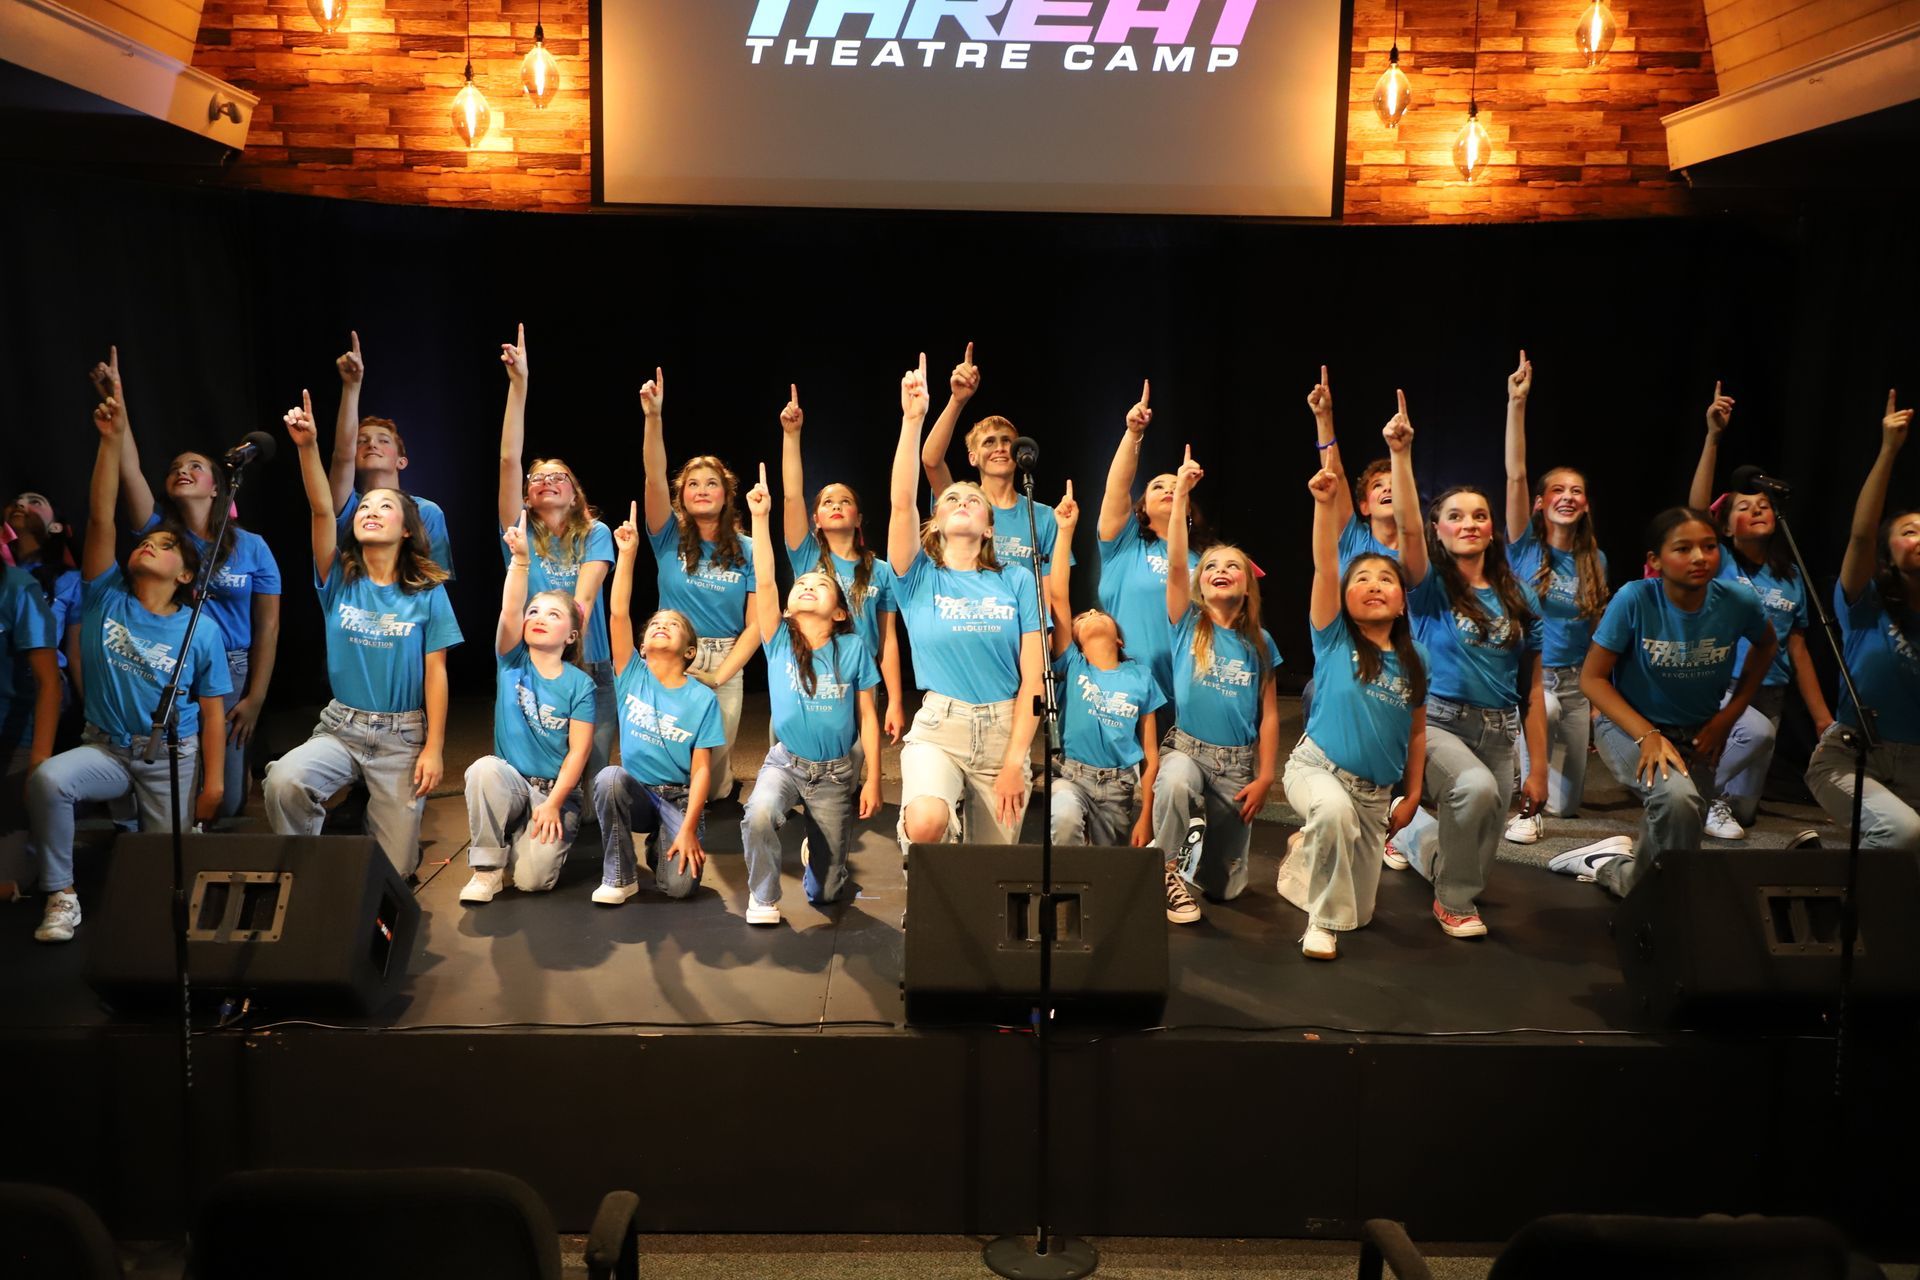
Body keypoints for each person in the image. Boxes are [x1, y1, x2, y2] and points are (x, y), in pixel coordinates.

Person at [26, 396, 231, 942]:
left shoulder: (199, 629)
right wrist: (110, 440)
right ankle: (61, 896)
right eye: (146, 541)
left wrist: (213, 782)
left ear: (186, 574)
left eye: (165, 546)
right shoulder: (104, 598)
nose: (149, 547)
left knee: (169, 878)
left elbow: (212, 712)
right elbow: (100, 516)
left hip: (171, 756)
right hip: (108, 747)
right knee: (49, 781)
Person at [264, 391, 461, 878]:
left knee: (395, 872)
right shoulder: (338, 578)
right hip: (342, 727)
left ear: (409, 530)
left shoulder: (428, 592)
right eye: (365, 505)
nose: (371, 510)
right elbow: (320, 511)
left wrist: (434, 747)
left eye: (385, 507)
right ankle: (308, 870)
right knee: (283, 781)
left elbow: (436, 673)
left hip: (401, 736)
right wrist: (308, 447)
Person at [1548, 507, 1777, 893]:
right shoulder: (1635, 599)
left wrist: (1727, 717)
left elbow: (1766, 646)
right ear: (1655, 560)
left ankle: (1609, 867)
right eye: (1683, 549)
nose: (1700, 558)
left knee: (1680, 837)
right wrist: (1647, 734)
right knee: (1676, 802)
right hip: (1629, 726)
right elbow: (1592, 679)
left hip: (1699, 731)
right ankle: (1655, 902)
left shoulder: (1738, 601)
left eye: (1709, 546)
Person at [96, 346, 282, 821]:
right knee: (173, 781)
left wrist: (256, 696)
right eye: (176, 467)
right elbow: (129, 468)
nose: (183, 470)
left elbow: (268, 625)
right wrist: (119, 406)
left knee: (228, 804)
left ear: (218, 485)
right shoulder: (162, 536)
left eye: (195, 467)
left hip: (233, 668)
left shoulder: (253, 546)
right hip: (169, 657)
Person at [1389, 391, 1549, 939]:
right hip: (1437, 722)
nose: (1470, 523)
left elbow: (1531, 688)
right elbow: (1408, 529)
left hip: (1501, 730)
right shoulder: (1430, 587)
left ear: (1491, 528)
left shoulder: (1518, 593)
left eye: (1479, 515)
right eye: (1455, 516)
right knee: (1474, 792)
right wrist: (1402, 455)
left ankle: (1415, 844)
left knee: (1483, 845)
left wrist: (1539, 767)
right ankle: (1453, 903)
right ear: (1440, 529)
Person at [889, 354, 1044, 852]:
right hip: (940, 726)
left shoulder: (1018, 580)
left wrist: (1018, 761)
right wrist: (912, 420)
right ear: (934, 519)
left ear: (990, 525)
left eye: (972, 501)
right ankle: (928, 856)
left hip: (1004, 732)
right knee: (928, 823)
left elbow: (1035, 680)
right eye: (951, 499)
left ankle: (957, 863)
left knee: (993, 872)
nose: (961, 503)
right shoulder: (917, 578)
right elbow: (900, 501)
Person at [1276, 461, 1428, 960]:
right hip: (1317, 769)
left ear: (1404, 601)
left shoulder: (1415, 658)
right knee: (1333, 815)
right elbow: (1325, 564)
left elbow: (1418, 731)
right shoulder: (1334, 636)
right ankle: (1319, 923)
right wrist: (1324, 505)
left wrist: (1413, 793)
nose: (1375, 583)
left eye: (1387, 577)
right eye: (1361, 577)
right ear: (1344, 597)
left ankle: (1306, 854)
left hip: (1375, 796)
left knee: (1360, 915)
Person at [1687, 381, 1834, 838]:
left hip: (1770, 696)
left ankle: (1711, 800)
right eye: (1744, 506)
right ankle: (1694, 796)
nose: (1756, 510)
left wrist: (1822, 718)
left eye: (1764, 505)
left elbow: (1798, 646)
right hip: (1726, 687)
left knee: (1746, 812)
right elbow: (1695, 509)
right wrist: (1713, 437)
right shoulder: (1721, 562)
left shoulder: (1791, 576)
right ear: (1725, 528)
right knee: (1757, 741)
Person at [742, 464, 881, 924]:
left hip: (837, 774)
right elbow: (765, 579)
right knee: (758, 815)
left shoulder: (854, 646)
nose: (806, 585)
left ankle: (824, 863)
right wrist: (760, 521)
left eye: (819, 584)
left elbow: (867, 716)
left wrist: (875, 777)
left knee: (826, 892)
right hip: (786, 762)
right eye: (801, 584)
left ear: (840, 612)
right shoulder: (777, 639)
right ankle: (762, 896)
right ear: (787, 605)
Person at [1150, 446, 1281, 918]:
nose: (1221, 571)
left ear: (1247, 584)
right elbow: (1177, 562)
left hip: (1237, 764)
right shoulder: (1187, 623)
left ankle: (1200, 855)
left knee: (1226, 889)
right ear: (1199, 584)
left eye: (1232, 567)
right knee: (1177, 783)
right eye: (1211, 567)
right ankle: (1164, 869)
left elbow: (1268, 716)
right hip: (1187, 748)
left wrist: (1266, 775)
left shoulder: (1260, 641)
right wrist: (1181, 494)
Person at [495, 324, 616, 780]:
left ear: (576, 495)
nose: (545, 480)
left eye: (558, 476)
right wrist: (518, 385)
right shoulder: (518, 529)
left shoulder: (595, 532)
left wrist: (566, 646)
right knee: (531, 771)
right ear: (526, 497)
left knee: (595, 767)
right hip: (533, 658)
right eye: (537, 478)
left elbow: (582, 600)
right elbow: (509, 460)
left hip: (590, 660)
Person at [458, 512, 596, 904]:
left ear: (570, 635)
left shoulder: (580, 684)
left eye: (552, 614)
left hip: (553, 794)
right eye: (534, 612)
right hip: (512, 783)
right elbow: (510, 611)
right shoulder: (511, 660)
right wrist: (520, 561)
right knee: (483, 769)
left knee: (532, 881)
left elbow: (578, 752)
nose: (537, 618)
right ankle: (485, 869)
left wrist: (553, 804)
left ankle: (517, 840)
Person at [592, 502, 725, 904]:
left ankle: (662, 845)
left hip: (680, 798)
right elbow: (617, 613)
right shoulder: (631, 673)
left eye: (673, 625)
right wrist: (628, 555)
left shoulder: (702, 697)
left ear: (688, 651)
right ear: (643, 644)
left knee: (679, 889)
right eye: (655, 625)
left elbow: (702, 771)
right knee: (608, 778)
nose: (661, 626)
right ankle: (620, 874)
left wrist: (686, 827)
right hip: (638, 793)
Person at [1803, 391, 1919, 850]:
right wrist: (1889, 450)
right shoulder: (1863, 603)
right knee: (1902, 834)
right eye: (1909, 532)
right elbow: (1861, 533)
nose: (1919, 538)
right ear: (1888, 552)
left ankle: (1817, 866)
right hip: (1851, 757)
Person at [639, 367, 759, 803]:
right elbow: (654, 477)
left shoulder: (748, 548)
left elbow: (758, 624)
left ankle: (714, 802)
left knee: (716, 755)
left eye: (712, 483)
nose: (703, 489)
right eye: (693, 483)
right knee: (669, 745)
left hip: (725, 656)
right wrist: (654, 418)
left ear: (727, 495)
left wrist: (720, 674)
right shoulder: (667, 534)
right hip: (670, 651)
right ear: (682, 494)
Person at [1501, 351, 1607, 841]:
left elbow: (1596, 632)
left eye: (1577, 491)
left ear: (1585, 506)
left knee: (1567, 809)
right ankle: (1523, 799)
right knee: (1544, 710)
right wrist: (1517, 404)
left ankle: (1534, 789)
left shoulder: (1595, 561)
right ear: (1542, 503)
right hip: (1533, 681)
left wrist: (1600, 696)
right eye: (1558, 490)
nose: (1568, 496)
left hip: (1575, 685)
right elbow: (1517, 474)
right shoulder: (1524, 545)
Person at [778, 382, 904, 747]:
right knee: (798, 765)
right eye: (827, 501)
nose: (836, 505)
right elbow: (790, 494)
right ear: (815, 518)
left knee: (850, 772)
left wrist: (894, 699)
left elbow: (888, 642)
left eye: (844, 501)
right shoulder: (807, 557)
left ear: (858, 517)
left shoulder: (880, 570)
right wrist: (791, 435)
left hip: (856, 681)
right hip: (806, 673)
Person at [1045, 481, 1165, 855]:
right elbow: (1059, 595)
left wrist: (1146, 814)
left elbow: (1150, 753)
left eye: (1099, 612)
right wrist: (1065, 532)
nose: (1093, 613)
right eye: (1085, 616)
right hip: (1071, 776)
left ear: (1120, 640)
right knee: (1064, 821)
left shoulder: (1141, 677)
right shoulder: (1074, 665)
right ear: (1075, 638)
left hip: (1119, 787)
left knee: (1106, 865)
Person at [1094, 379, 1198, 723]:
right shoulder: (1124, 545)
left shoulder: (1206, 562)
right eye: (1158, 486)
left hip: (1188, 690)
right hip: (1127, 692)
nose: (1168, 489)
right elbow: (1117, 487)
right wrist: (1133, 435)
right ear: (1143, 506)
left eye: (1175, 486)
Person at [919, 342, 1068, 571]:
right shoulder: (961, 503)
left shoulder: (1043, 516)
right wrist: (957, 401)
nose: (999, 448)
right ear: (972, 457)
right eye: (989, 442)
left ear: (1019, 454)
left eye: (1007, 441)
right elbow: (931, 460)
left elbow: (1049, 593)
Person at [327, 330, 456, 574]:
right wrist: (351, 387)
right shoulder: (347, 505)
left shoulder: (426, 512)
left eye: (383, 440)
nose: (372, 445)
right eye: (361, 441)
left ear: (402, 461)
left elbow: (436, 580)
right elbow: (341, 457)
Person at [1309, 366, 1404, 572]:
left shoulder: (1421, 550)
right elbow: (1335, 475)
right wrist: (1323, 416)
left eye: (1394, 484)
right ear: (1364, 507)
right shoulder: (1354, 538)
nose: (1388, 489)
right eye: (1378, 485)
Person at [2, 490, 83, 712]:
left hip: (37, 684)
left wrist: (91, 713)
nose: (20, 504)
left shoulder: (70, 581)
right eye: (15, 501)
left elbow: (75, 654)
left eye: (34, 502)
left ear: (56, 526)